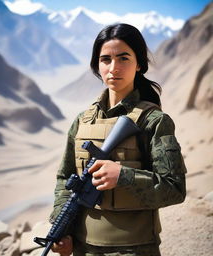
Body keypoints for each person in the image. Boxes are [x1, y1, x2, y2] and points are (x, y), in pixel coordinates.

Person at [49, 23, 187, 256]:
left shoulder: (153, 121)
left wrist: (123, 176)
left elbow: (174, 189)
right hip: (84, 247)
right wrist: (62, 231)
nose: (114, 68)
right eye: (106, 60)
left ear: (139, 64)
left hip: (134, 249)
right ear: (97, 66)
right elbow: (65, 179)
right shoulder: (82, 121)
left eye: (123, 58)